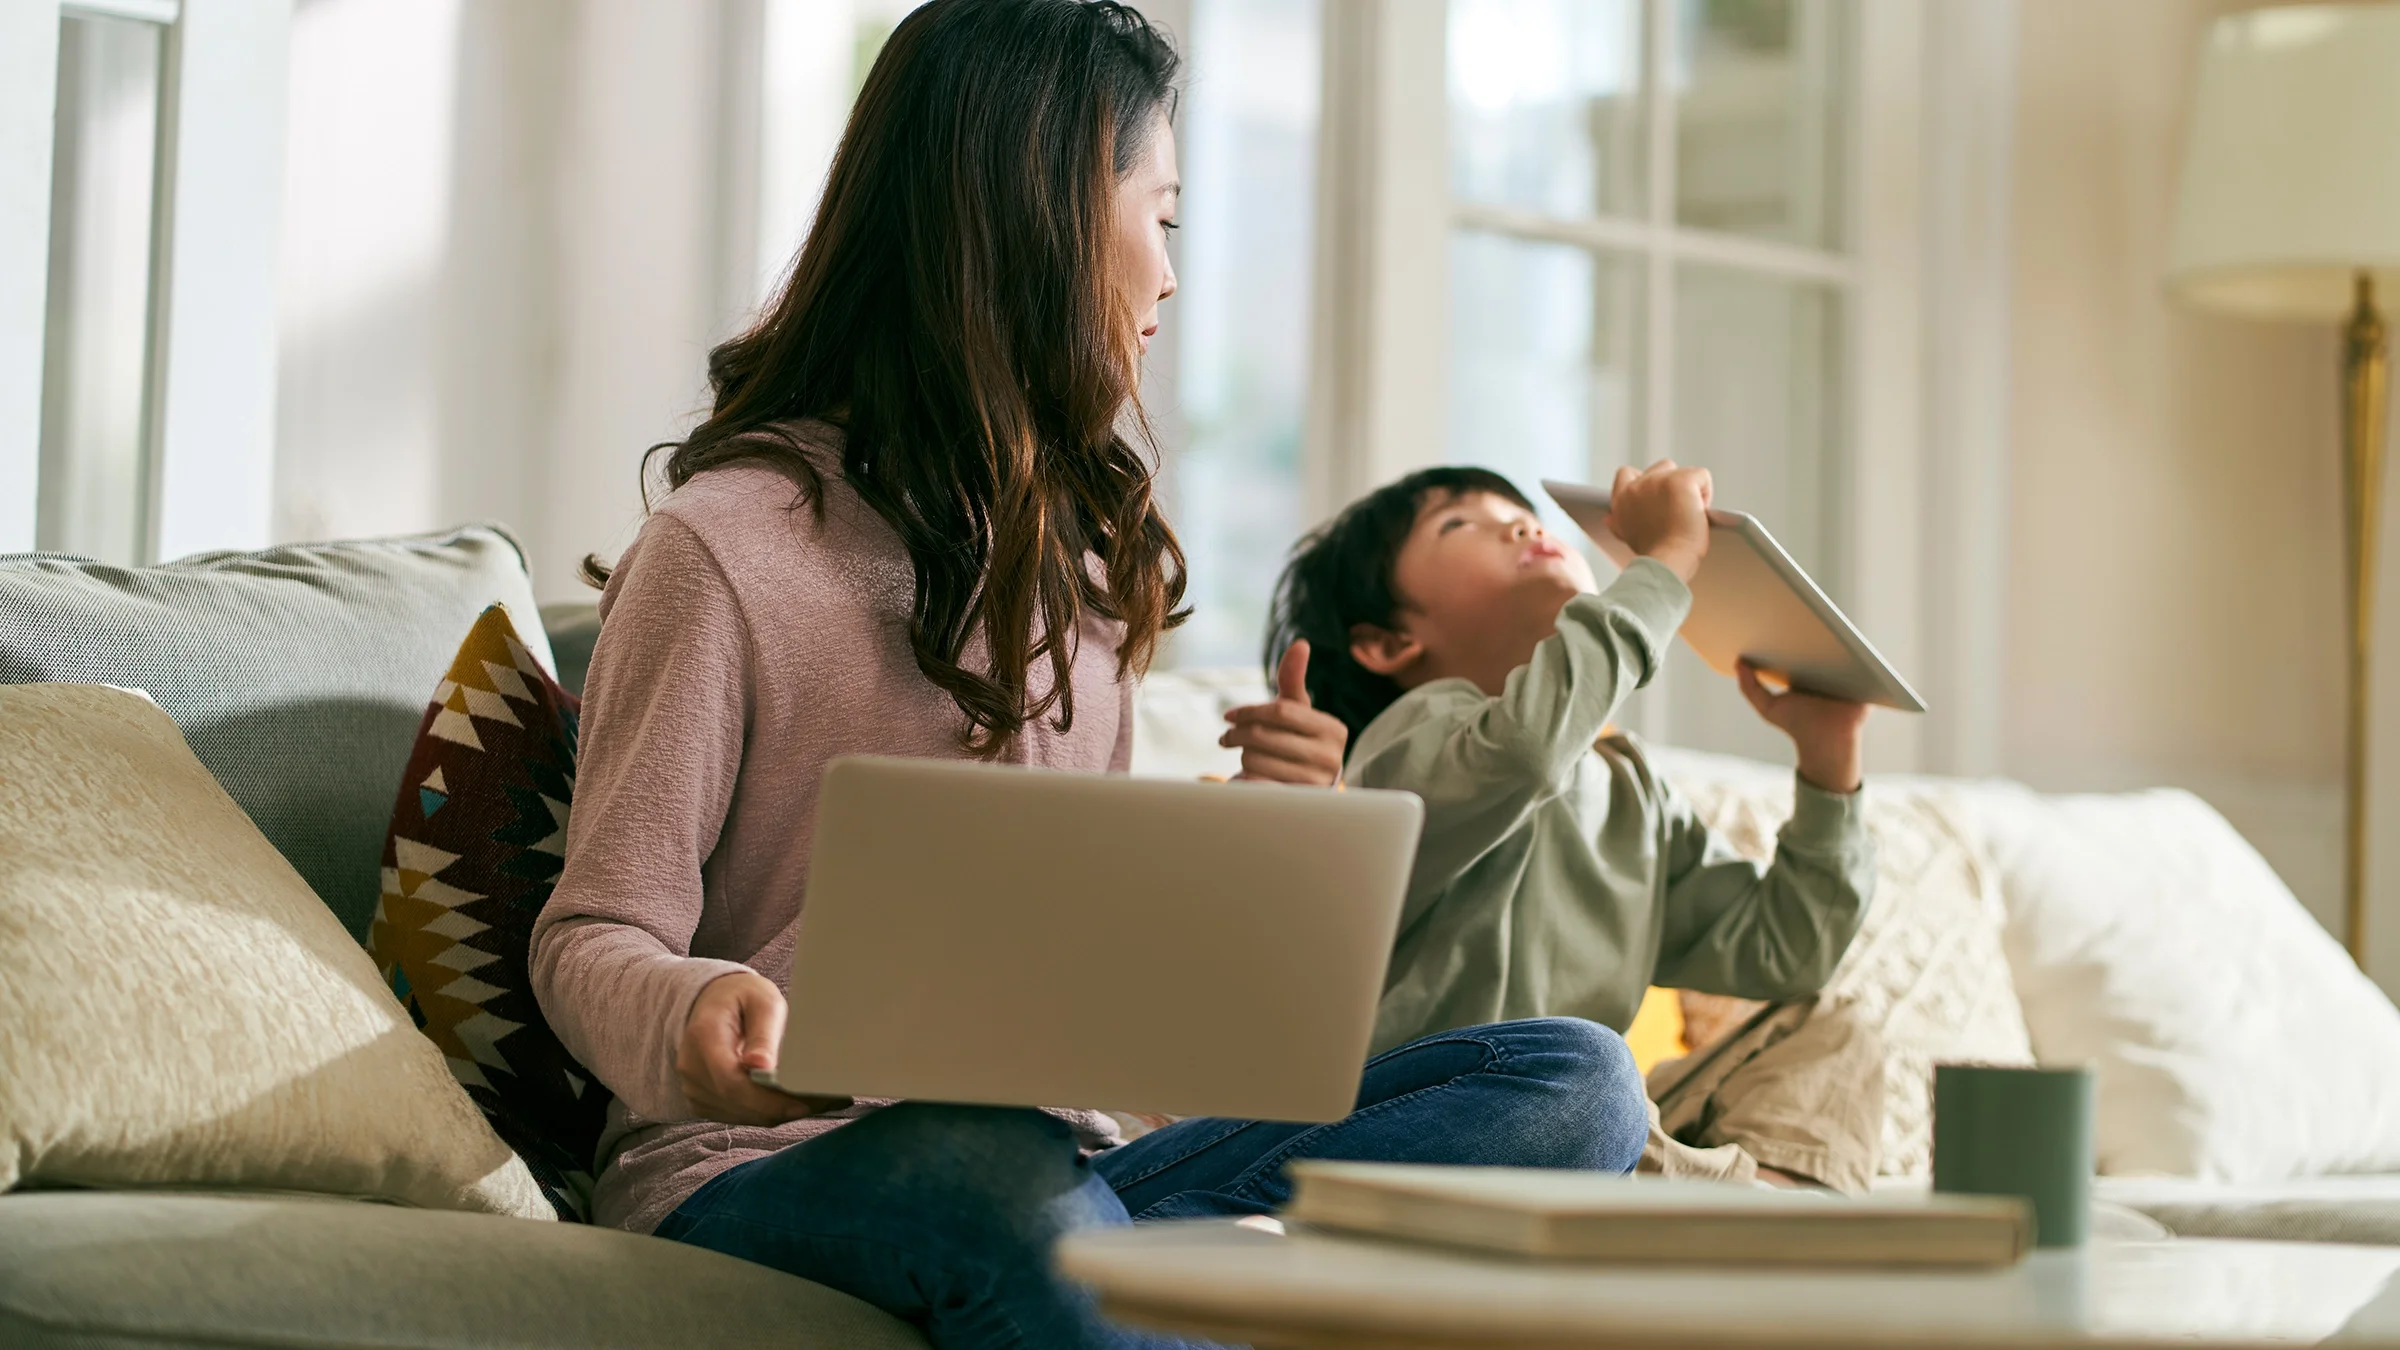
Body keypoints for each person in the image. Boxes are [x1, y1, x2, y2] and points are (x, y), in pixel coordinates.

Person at [529, 5, 1651, 1348]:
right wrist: (698, 1010)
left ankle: (1163, 1302)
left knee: (1575, 1082)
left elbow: (1064, 988)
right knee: (982, 1167)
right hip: (766, 1171)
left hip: (1068, 1171)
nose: (1171, 278)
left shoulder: (1084, 577)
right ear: (1048, 215)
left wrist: (1260, 864)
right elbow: (590, 934)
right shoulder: (723, 545)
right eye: (1161, 217)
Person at [1262, 464, 1879, 1066]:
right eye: (1458, 524)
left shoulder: (1632, 790)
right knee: (1590, 1060)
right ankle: (1696, 1166)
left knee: (1831, 1029)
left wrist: (1828, 761)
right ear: (1390, 643)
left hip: (1589, 1116)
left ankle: (1726, 1171)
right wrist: (1665, 561)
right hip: (1444, 1111)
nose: (1522, 528)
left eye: (1524, 515)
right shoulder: (1398, 748)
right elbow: (1525, 751)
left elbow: (1786, 948)